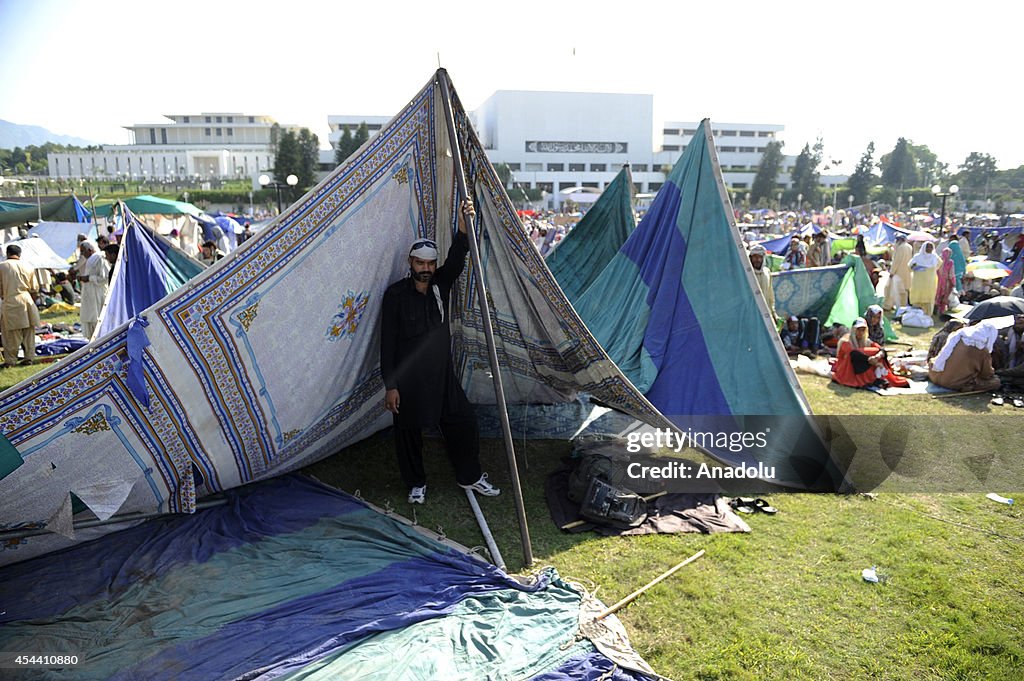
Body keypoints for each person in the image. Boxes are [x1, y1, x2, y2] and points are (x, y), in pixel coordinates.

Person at [380, 199, 500, 504]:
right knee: (408, 433)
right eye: (420, 263)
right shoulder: (395, 295)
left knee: (463, 421)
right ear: (411, 263)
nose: (425, 269)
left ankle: (469, 476)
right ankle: (416, 483)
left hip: (442, 375)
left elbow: (457, 261)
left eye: (430, 264)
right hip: (408, 378)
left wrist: (463, 227)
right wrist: (391, 386)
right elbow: (387, 342)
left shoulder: (439, 285)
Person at [831, 317, 908, 389]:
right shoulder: (846, 341)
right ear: (853, 330)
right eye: (858, 329)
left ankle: (875, 378)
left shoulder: (865, 340)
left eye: (863, 330)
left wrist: (876, 357)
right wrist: (870, 360)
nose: (860, 332)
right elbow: (853, 354)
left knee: (873, 352)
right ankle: (869, 379)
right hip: (846, 368)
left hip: (861, 365)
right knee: (860, 355)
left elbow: (880, 349)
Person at [928, 321, 1001, 392]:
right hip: (952, 383)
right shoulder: (981, 349)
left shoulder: (958, 337)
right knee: (996, 382)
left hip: (935, 376)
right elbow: (986, 374)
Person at [0, 244, 40, 368]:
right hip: (27, 300)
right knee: (29, 332)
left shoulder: (2, 266)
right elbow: (35, 289)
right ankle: (29, 357)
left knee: (11, 333)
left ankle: (11, 360)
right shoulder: (28, 266)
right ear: (19, 254)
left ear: (7, 253)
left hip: (11, 300)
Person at [77, 240, 109, 340]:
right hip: (90, 294)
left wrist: (89, 278)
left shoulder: (100, 258)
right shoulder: (91, 259)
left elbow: (104, 277)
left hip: (97, 294)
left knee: (98, 318)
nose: (82, 254)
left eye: (83, 251)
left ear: (90, 250)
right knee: (90, 318)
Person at [908, 241, 941, 316]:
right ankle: (915, 314)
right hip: (918, 281)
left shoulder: (935, 257)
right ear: (924, 248)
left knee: (928, 298)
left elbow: (939, 265)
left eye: (931, 247)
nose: (929, 249)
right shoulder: (917, 257)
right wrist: (916, 267)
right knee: (917, 297)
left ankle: (928, 314)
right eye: (927, 247)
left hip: (930, 282)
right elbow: (910, 267)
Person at [885, 234, 913, 311]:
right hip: (907, 273)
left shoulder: (900, 248)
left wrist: (892, 272)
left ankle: (898, 307)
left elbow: (896, 261)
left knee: (897, 291)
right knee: (905, 291)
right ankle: (904, 306)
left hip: (898, 273)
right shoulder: (909, 247)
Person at [748, 244, 776, 318]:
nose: (757, 260)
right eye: (755, 257)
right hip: (750, 312)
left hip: (765, 313)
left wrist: (773, 313)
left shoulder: (767, 272)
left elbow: (770, 295)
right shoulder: (746, 273)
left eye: (760, 257)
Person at [934, 247, 957, 315]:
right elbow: (951, 273)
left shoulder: (937, 260)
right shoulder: (950, 262)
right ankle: (941, 309)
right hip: (945, 282)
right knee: (944, 295)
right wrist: (953, 281)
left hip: (936, 281)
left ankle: (935, 307)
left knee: (936, 294)